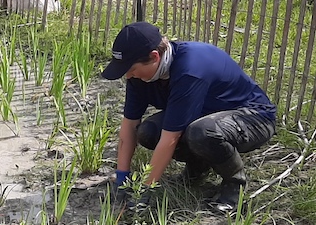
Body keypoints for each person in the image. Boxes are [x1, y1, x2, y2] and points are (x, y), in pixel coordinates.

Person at [102, 21, 276, 213]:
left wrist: (143, 190)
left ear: (154, 57)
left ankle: (234, 184)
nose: (128, 76)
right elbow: (130, 125)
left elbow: (171, 138)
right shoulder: (140, 77)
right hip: (205, 115)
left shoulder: (190, 69)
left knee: (201, 132)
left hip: (252, 117)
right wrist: (122, 177)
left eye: (132, 69)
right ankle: (198, 168)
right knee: (148, 132)